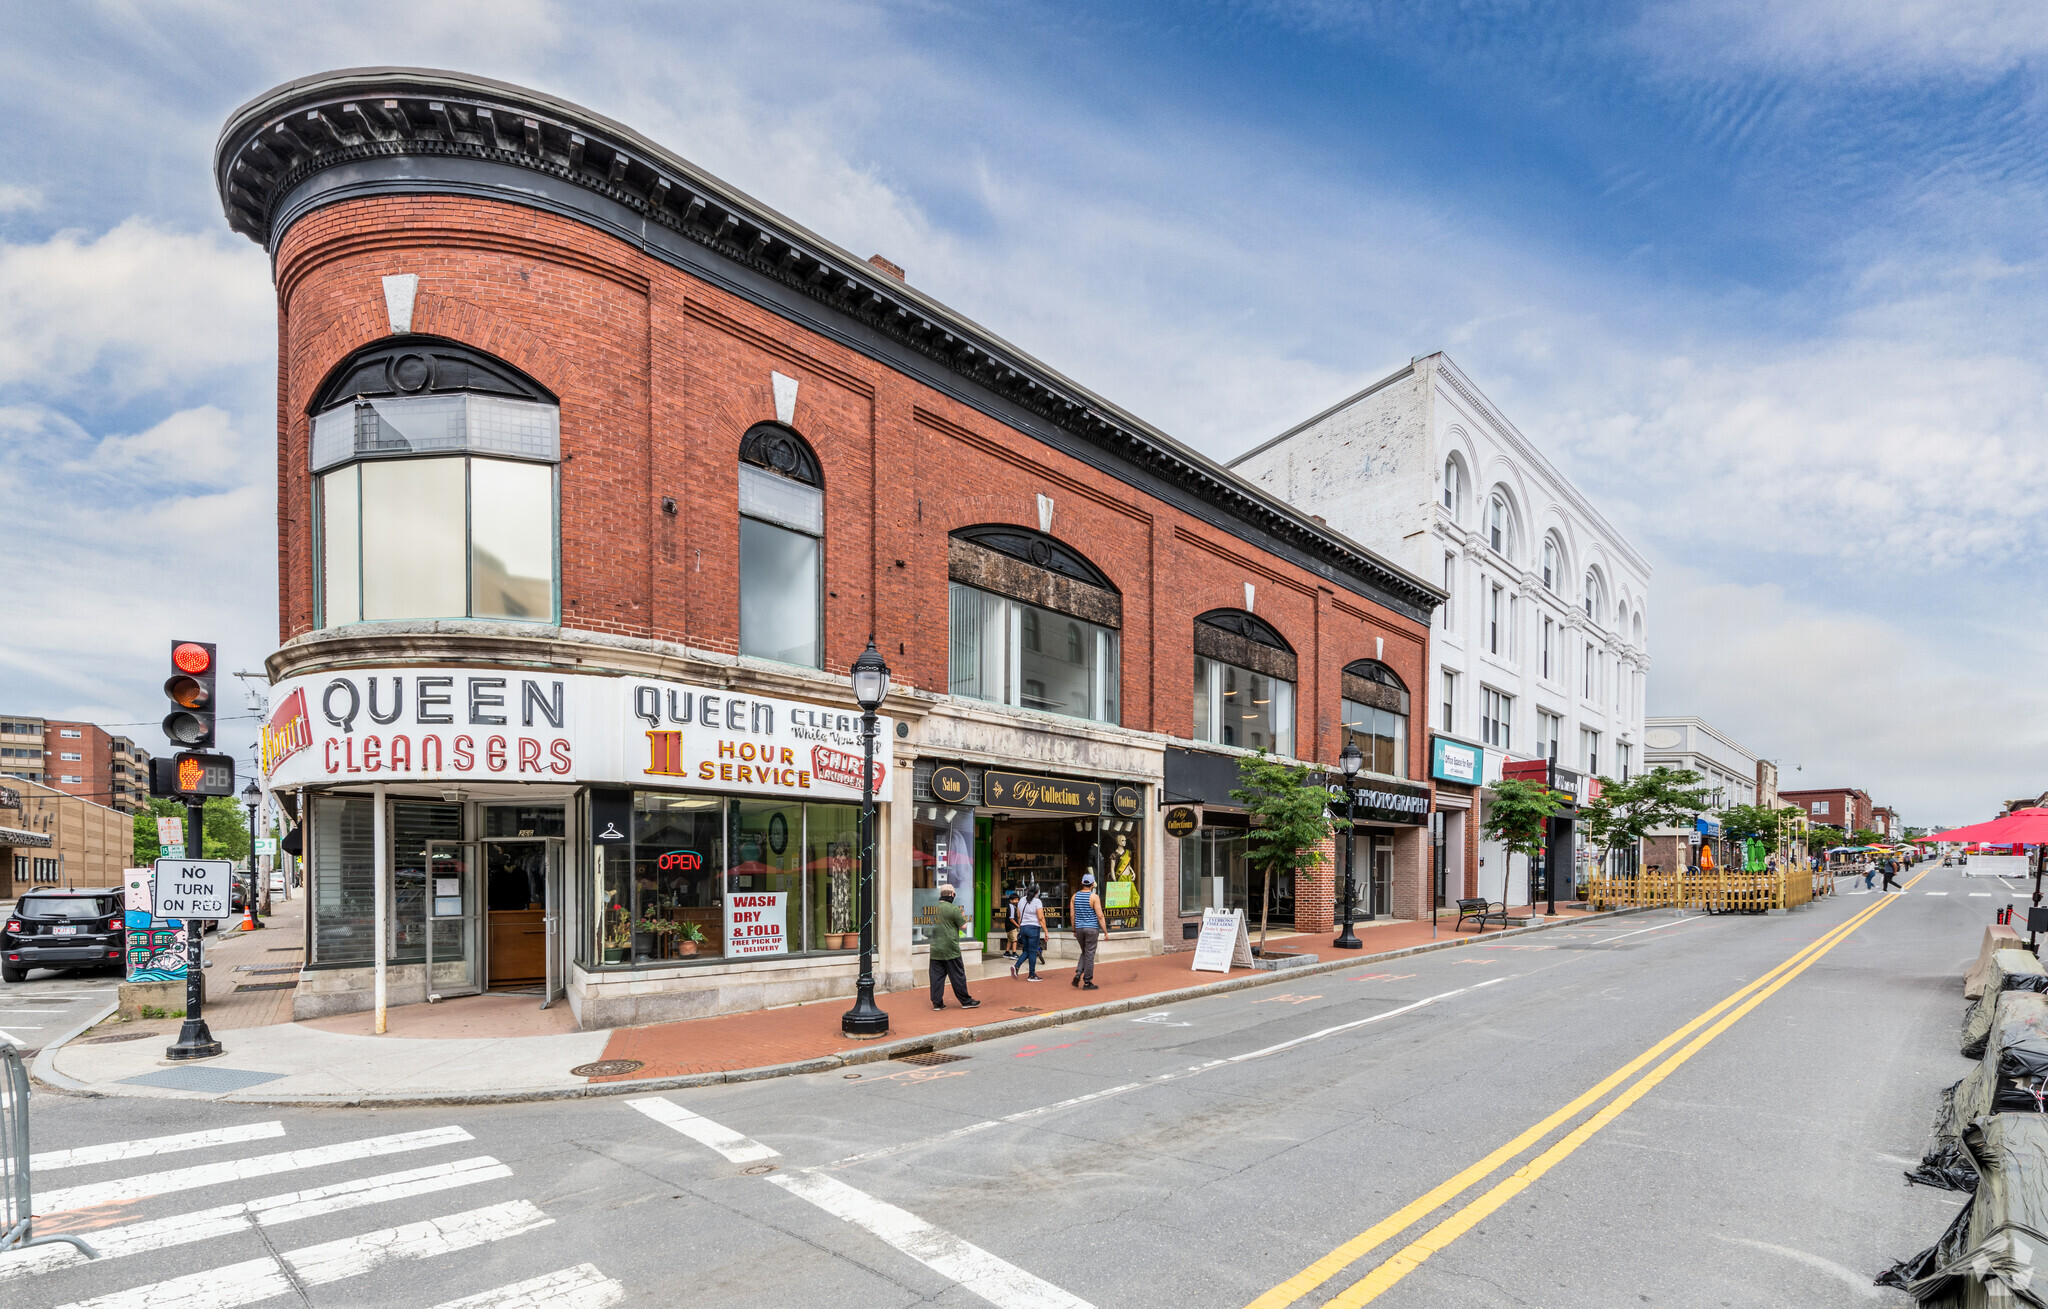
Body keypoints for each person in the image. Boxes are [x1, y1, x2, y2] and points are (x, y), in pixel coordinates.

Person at [927, 883, 980, 1011]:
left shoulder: (933, 908)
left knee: (936, 978)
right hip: (950, 947)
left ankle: (937, 1003)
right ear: (952, 895)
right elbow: (963, 926)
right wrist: (961, 917)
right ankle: (966, 1001)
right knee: (957, 976)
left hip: (935, 948)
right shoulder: (953, 909)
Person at [1070, 872, 1103, 991]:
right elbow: (1100, 915)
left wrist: (1074, 929)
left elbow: (1072, 915)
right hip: (1091, 929)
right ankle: (1087, 982)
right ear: (1092, 884)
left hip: (1079, 929)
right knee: (1089, 955)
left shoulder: (1074, 896)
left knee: (1085, 951)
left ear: (1082, 883)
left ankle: (1079, 972)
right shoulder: (1094, 897)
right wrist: (1105, 931)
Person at [1012, 885, 1045, 981]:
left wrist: (1020, 927)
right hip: (1033, 928)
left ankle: (1016, 967)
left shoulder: (1021, 900)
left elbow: (1018, 915)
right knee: (1033, 951)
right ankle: (1031, 974)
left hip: (1023, 927)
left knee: (1027, 950)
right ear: (1037, 892)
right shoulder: (1037, 901)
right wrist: (1046, 931)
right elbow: (1040, 918)